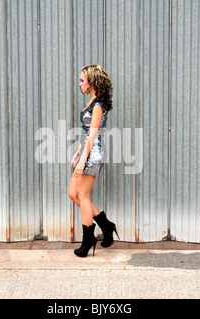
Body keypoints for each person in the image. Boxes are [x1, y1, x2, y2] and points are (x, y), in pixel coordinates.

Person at [68, 64, 119, 258]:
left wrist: (83, 160)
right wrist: (78, 152)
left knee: (83, 195)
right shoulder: (92, 101)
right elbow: (85, 132)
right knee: (73, 194)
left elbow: (93, 134)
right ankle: (105, 225)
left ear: (92, 82)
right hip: (86, 151)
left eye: (82, 80)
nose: (79, 83)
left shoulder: (98, 105)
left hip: (94, 153)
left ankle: (88, 239)